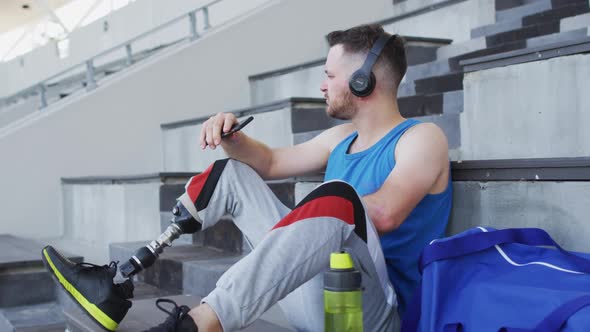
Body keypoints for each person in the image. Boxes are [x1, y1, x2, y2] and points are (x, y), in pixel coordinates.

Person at [42, 24, 452, 332]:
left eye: (330, 75)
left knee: (339, 199)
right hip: (319, 297)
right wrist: (232, 137)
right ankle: (116, 282)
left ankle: (197, 325)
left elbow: (385, 214)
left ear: (364, 80)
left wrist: (307, 224)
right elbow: (270, 163)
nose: (321, 85)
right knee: (232, 173)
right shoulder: (342, 139)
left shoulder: (422, 138)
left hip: (374, 314)